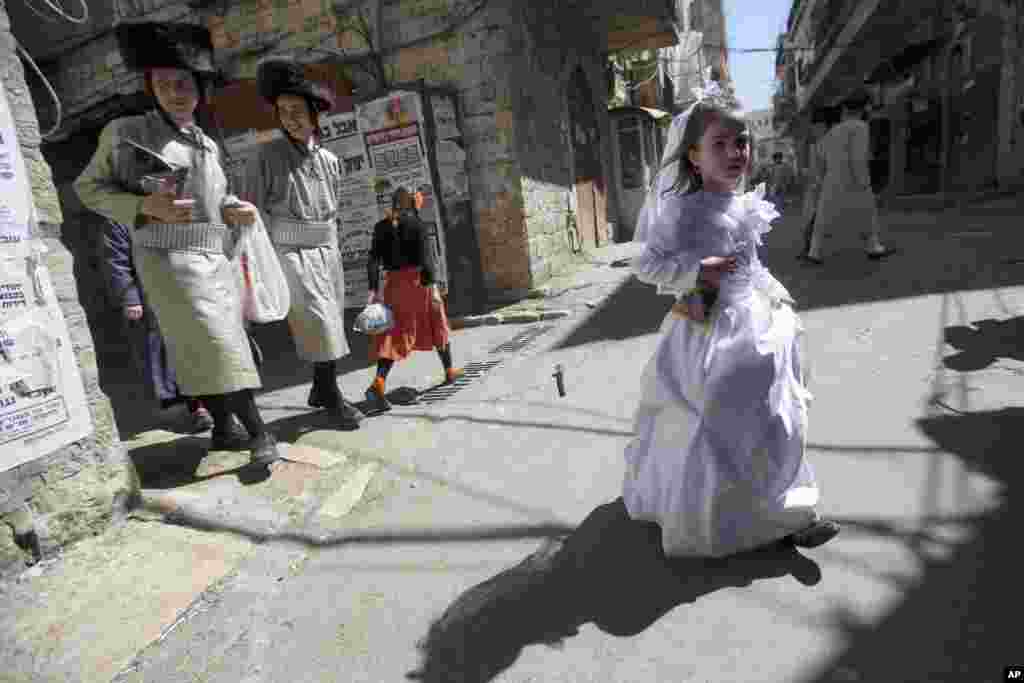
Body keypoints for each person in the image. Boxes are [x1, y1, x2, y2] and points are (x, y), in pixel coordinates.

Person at [626, 85, 840, 558]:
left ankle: (791, 509)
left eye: (740, 142)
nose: (734, 153)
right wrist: (695, 271)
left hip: (758, 321)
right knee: (715, 416)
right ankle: (718, 514)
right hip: (707, 326)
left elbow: (750, 263)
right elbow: (647, 264)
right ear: (693, 157)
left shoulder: (743, 204)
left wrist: (774, 295)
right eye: (719, 144)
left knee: (777, 415)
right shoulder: (682, 210)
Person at [74, 22, 280, 466]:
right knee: (216, 342)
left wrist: (233, 208)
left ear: (201, 88)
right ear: (150, 86)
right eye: (164, 83)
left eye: (185, 83)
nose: (175, 91)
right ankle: (259, 432)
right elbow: (87, 189)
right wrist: (145, 206)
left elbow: (214, 197)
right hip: (166, 259)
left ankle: (224, 428)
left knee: (209, 346)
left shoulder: (205, 142)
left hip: (213, 257)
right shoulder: (126, 133)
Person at [249, 56, 364, 430]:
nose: (290, 119)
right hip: (290, 252)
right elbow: (251, 210)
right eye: (283, 112)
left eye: (297, 110)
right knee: (319, 323)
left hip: (326, 250)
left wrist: (333, 244)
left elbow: (333, 209)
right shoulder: (266, 156)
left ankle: (319, 387)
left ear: (315, 113)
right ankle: (331, 396)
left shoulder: (330, 160)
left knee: (331, 321)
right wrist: (262, 261)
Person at [100, 215, 214, 432]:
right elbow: (116, 261)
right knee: (163, 356)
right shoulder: (117, 220)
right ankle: (190, 410)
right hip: (151, 298)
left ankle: (205, 406)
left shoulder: (168, 210)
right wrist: (129, 297)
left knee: (195, 352)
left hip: (182, 290)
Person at [364, 187, 462, 411]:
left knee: (392, 335)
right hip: (419, 284)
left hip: (393, 286)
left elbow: (373, 260)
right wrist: (433, 286)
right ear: (411, 203)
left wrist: (373, 289)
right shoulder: (418, 224)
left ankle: (378, 383)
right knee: (438, 323)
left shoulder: (381, 226)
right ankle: (449, 371)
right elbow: (426, 259)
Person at [806, 90, 895, 264]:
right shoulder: (860, 127)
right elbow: (858, 157)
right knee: (866, 213)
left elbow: (821, 154)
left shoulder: (833, 131)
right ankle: (873, 246)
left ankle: (814, 252)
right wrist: (864, 182)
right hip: (853, 178)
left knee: (825, 216)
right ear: (863, 109)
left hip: (832, 179)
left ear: (845, 110)